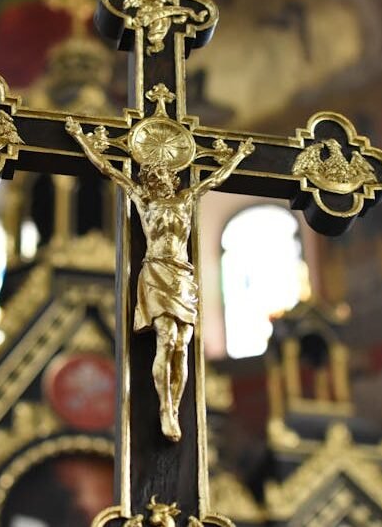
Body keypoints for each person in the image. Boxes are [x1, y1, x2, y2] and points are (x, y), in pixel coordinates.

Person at [66, 116, 253, 441]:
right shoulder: (143, 199)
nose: (164, 180)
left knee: (182, 345)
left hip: (182, 275)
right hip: (156, 271)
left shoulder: (186, 200)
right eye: (158, 176)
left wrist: (239, 156)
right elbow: (109, 171)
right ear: (151, 180)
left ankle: (175, 406)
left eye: (167, 176)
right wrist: (81, 138)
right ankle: (164, 406)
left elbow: (216, 179)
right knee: (166, 339)